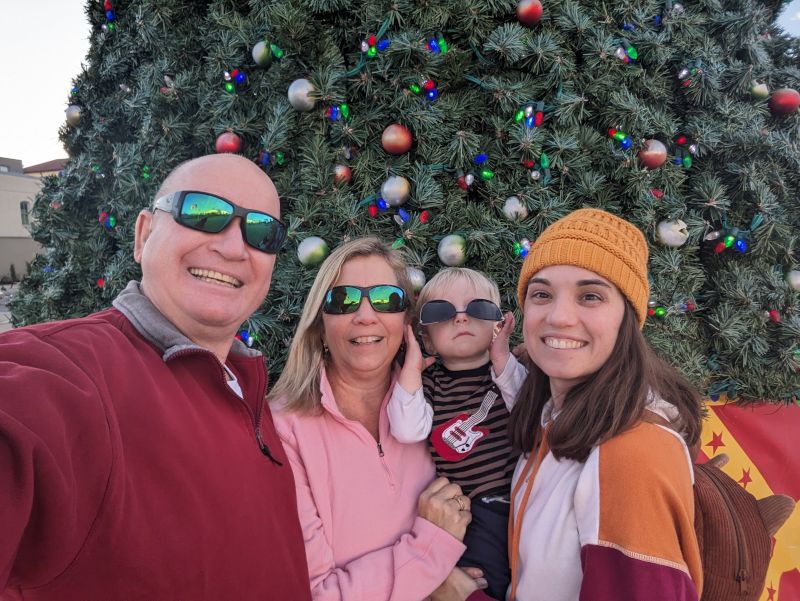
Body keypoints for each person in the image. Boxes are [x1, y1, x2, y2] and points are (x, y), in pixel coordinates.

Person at [0, 154, 311, 600]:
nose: (233, 246)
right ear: (144, 234)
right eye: (203, 212)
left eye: (262, 231)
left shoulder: (247, 384)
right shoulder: (70, 374)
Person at [436, 208, 705, 601]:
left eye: (590, 296)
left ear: (627, 318)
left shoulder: (631, 455)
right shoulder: (550, 417)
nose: (559, 317)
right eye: (542, 294)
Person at [269, 238, 484, 600]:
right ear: (320, 324)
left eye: (386, 299)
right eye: (343, 300)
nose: (366, 315)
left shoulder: (439, 401)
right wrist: (430, 559)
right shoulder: (282, 431)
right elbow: (314, 594)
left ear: (406, 321)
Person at [387, 267, 525, 599]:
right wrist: (412, 367)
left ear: (498, 325)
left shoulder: (507, 373)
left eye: (477, 308)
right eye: (442, 313)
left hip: (519, 502)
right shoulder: (429, 385)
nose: (461, 319)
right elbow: (406, 429)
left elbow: (528, 411)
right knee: (483, 580)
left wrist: (502, 357)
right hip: (468, 513)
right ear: (427, 337)